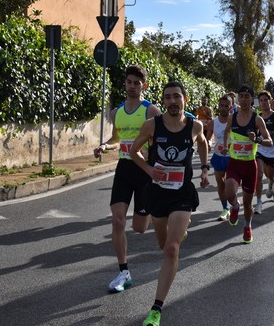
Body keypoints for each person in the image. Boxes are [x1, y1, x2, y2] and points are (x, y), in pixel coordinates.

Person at [130, 81, 209, 326]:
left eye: (177, 97)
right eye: (168, 98)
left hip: (183, 192)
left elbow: (204, 144)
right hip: (158, 193)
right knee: (164, 246)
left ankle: (156, 308)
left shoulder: (195, 126)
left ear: (185, 99)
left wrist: (205, 170)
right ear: (163, 101)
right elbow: (134, 151)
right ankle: (178, 232)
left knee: (172, 249)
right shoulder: (152, 125)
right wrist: (148, 169)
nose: (172, 101)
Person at [93, 64, 161, 293]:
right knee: (117, 220)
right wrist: (105, 145)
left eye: (136, 83)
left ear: (144, 85)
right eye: (129, 82)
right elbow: (117, 138)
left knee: (140, 228)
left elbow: (159, 140)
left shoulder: (151, 111)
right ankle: (124, 271)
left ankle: (158, 215)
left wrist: (152, 154)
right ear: (125, 83)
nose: (132, 86)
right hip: (124, 168)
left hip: (143, 170)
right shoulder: (116, 112)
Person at [222, 85, 272, 244]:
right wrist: (225, 145)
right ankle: (235, 207)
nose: (243, 99)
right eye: (241, 96)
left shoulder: (257, 119)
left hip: (250, 165)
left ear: (252, 99)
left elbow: (269, 141)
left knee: (248, 203)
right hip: (234, 164)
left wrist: (256, 139)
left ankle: (247, 226)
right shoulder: (232, 116)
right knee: (229, 194)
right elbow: (226, 131)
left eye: (246, 96)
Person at [253, 91, 274, 214]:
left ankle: (271, 184)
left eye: (265, 100)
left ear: (270, 101)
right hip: (260, 150)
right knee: (259, 175)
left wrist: (272, 134)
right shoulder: (258, 117)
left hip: (273, 151)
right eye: (261, 100)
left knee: (270, 176)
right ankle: (258, 202)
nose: (263, 103)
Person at [206, 95, 232, 220]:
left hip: (233, 157)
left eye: (226, 106)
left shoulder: (235, 121)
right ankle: (225, 208)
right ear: (218, 106)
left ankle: (234, 205)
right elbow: (208, 139)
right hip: (218, 156)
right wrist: (208, 145)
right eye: (221, 105)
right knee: (220, 183)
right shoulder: (213, 122)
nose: (223, 108)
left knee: (230, 184)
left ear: (230, 107)